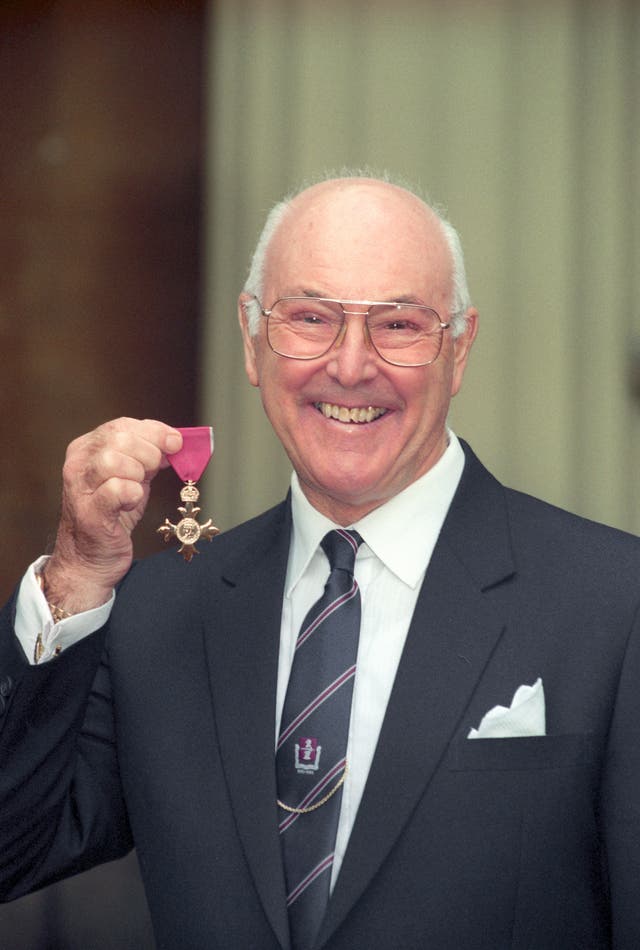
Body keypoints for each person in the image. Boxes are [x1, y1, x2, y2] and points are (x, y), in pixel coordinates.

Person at [1, 175, 640, 950]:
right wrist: (73, 575)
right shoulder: (161, 615)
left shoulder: (614, 603)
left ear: (460, 347)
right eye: (309, 317)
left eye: (399, 324)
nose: (350, 366)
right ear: (250, 338)